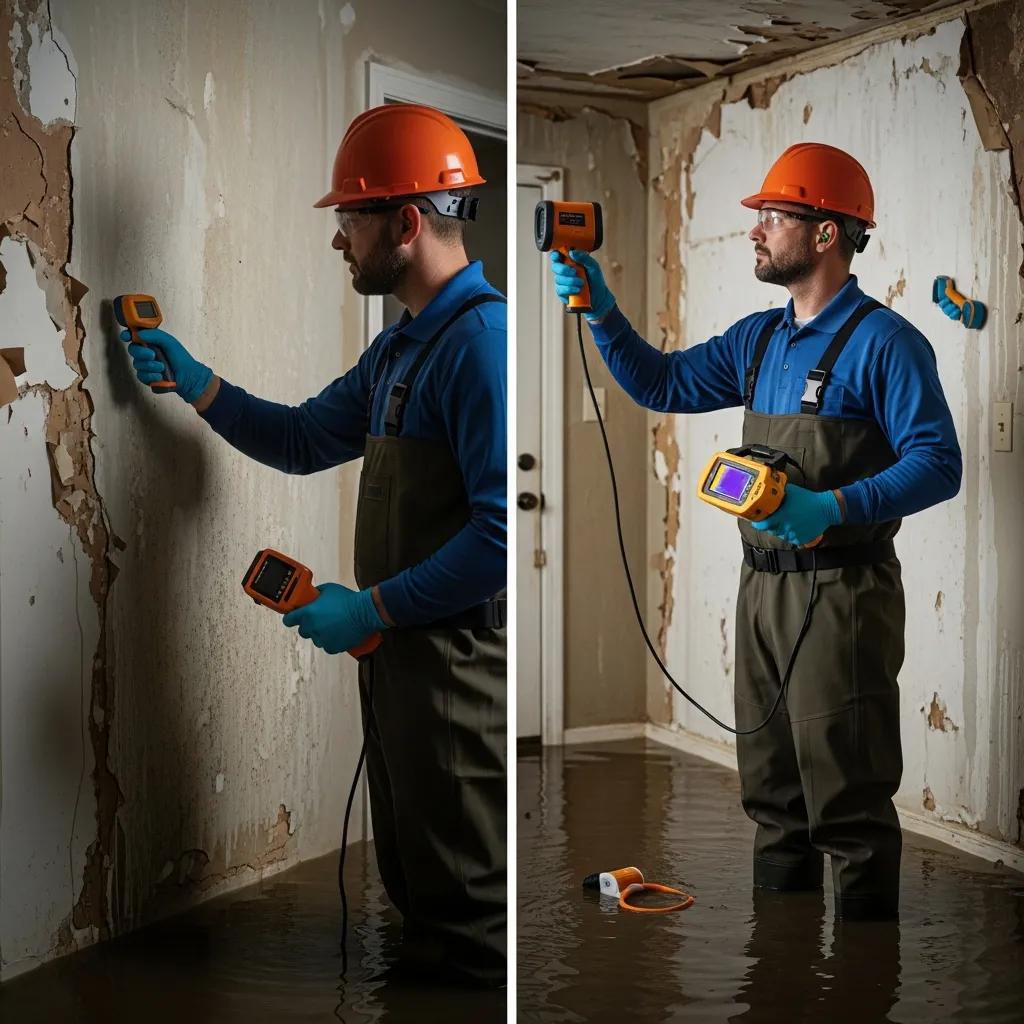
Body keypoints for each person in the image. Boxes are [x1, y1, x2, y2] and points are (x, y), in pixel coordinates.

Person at [122, 103, 507, 983]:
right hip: (401, 659)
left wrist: (370, 605)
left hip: (454, 664)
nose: (340, 241)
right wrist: (197, 381)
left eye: (350, 219)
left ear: (405, 223)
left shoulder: (479, 346)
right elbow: (299, 440)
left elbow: (494, 537)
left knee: (470, 916)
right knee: (416, 885)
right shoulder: (402, 349)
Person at [548, 142, 961, 920]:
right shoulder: (759, 340)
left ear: (827, 232)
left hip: (845, 595)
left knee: (848, 797)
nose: (757, 229)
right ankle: (783, 968)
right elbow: (662, 381)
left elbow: (940, 464)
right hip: (761, 590)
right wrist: (603, 314)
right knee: (773, 791)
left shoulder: (888, 343)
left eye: (774, 215)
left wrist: (830, 508)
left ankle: (865, 983)